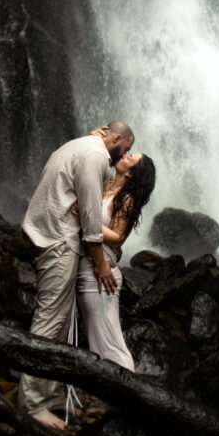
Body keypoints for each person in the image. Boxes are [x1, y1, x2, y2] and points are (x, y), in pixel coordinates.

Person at [17, 121, 134, 429]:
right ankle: (31, 405)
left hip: (48, 234)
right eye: (127, 149)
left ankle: (52, 395)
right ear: (117, 138)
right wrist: (100, 263)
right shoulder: (95, 156)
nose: (124, 155)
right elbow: (91, 218)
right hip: (58, 240)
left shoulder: (81, 146)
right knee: (50, 319)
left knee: (61, 318)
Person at [76, 151, 156, 370]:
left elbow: (118, 237)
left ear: (131, 174)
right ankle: (109, 397)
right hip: (90, 268)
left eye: (130, 158)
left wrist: (88, 223)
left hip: (103, 274)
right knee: (97, 339)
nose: (125, 155)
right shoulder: (108, 185)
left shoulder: (127, 199)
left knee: (108, 342)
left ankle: (128, 387)